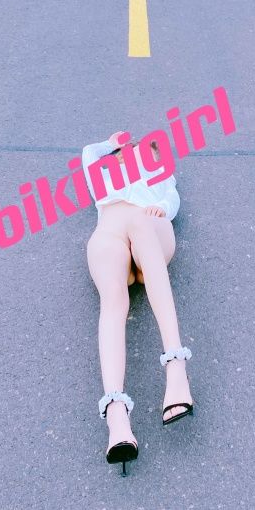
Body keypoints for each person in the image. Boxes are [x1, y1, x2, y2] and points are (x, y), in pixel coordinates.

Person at [82, 131, 194, 476]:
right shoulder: (105, 180)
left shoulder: (159, 180)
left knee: (142, 224)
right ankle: (116, 414)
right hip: (110, 232)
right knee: (113, 300)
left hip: (149, 231)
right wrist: (110, 142)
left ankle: (176, 368)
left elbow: (172, 199)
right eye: (125, 152)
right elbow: (88, 153)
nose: (130, 156)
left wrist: (162, 208)